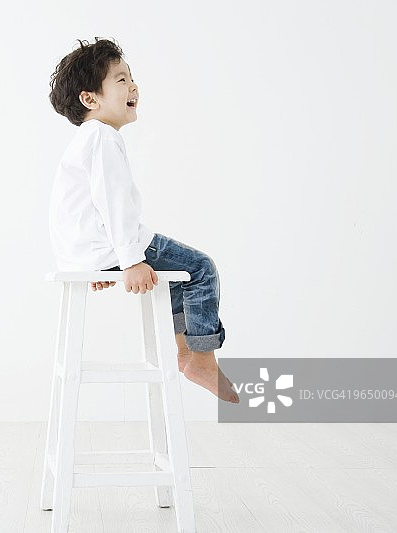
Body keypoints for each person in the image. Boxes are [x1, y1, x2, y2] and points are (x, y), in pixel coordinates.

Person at [48, 37, 239, 403]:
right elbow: (115, 204)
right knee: (200, 269)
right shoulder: (102, 138)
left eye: (131, 77)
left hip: (89, 252)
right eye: (121, 80)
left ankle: (183, 351)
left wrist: (90, 264)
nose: (133, 86)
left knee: (177, 278)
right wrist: (130, 260)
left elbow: (69, 210)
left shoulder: (84, 141)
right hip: (117, 246)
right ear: (90, 99)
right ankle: (200, 357)